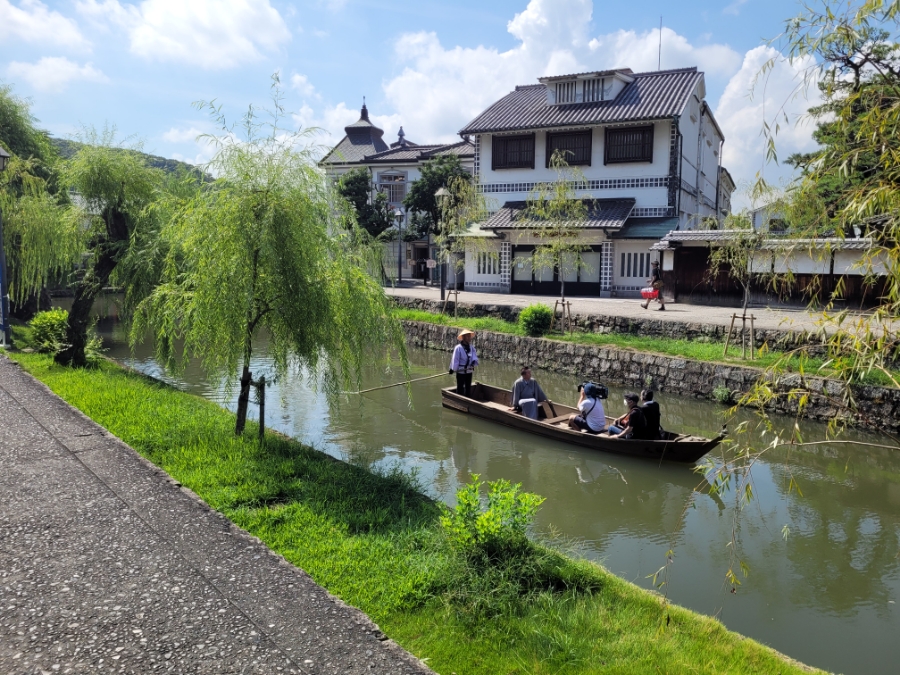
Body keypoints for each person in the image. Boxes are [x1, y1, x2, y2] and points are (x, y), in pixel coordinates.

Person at [449, 329, 479, 397]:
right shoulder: (458, 348)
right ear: (463, 337)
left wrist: (473, 363)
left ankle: (467, 400)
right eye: (467, 336)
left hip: (469, 370)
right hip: (461, 371)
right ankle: (459, 400)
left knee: (468, 387)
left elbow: (474, 357)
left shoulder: (472, 348)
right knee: (460, 387)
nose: (469, 338)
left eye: (469, 336)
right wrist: (452, 369)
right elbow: (455, 359)